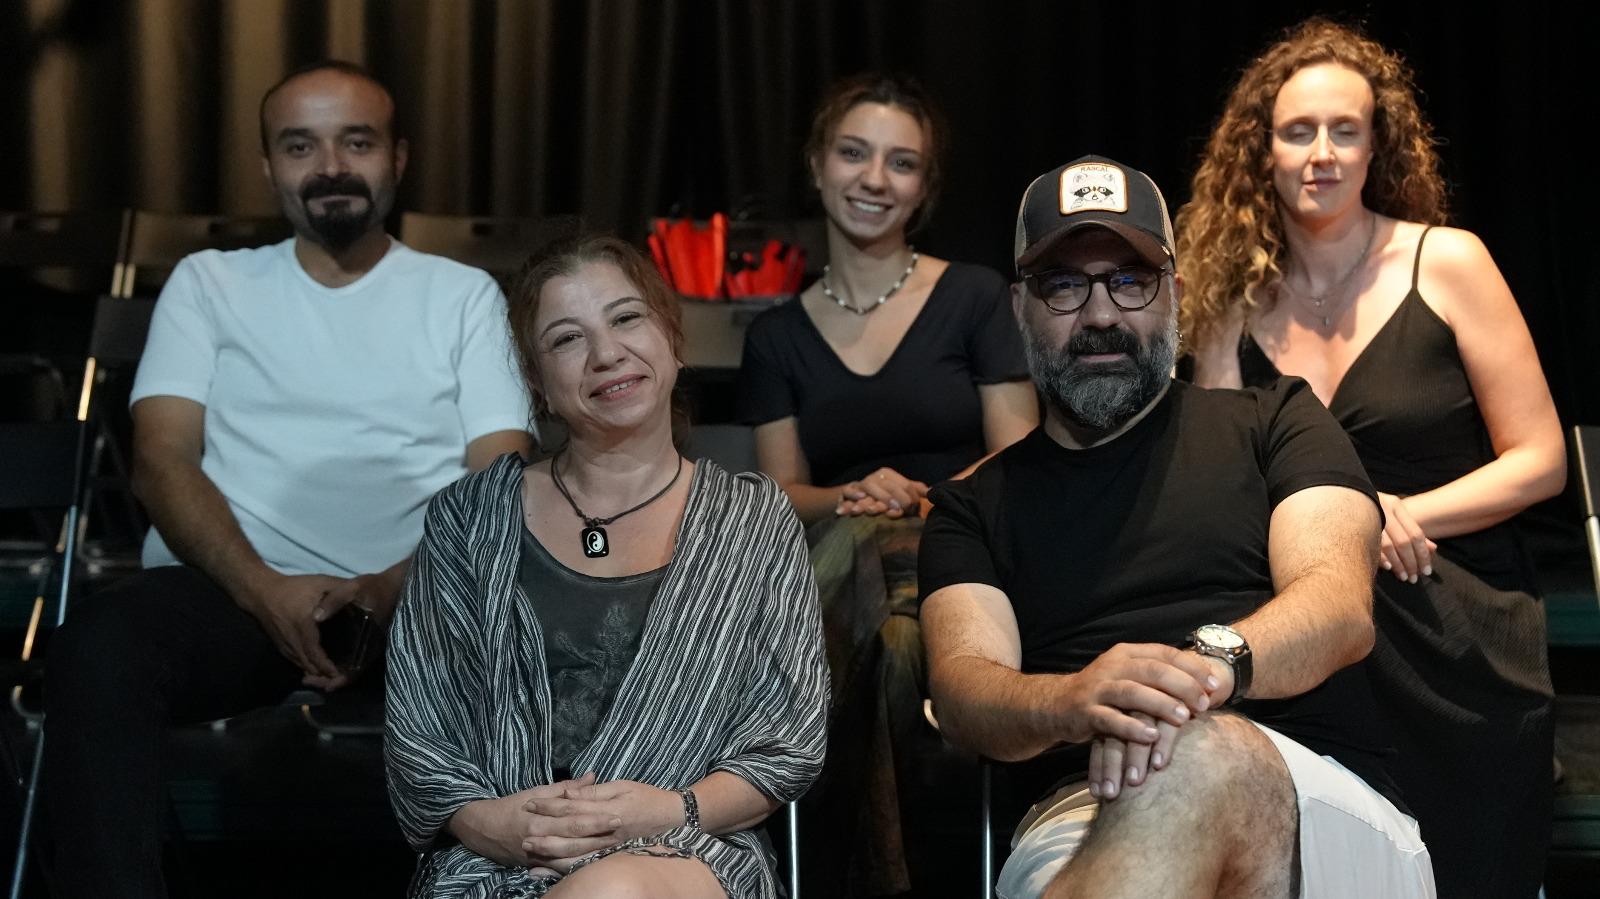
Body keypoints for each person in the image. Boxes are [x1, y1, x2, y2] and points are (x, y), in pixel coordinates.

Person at [40, 61, 532, 898]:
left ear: (399, 158)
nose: (330, 166)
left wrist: (389, 589)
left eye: (357, 142)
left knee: (558, 647)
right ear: (268, 166)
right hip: (237, 596)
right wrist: (263, 589)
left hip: (421, 602)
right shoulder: (209, 282)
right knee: (98, 646)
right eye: (301, 146)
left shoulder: (463, 295)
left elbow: (503, 474)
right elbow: (160, 458)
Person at [919, 154, 1437, 898]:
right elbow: (965, 692)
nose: (1102, 315)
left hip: (1320, 798)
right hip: (1082, 814)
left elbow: (1337, 607)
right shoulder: (971, 507)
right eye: (1064, 285)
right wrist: (1073, 700)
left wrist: (1192, 678)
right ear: (1019, 307)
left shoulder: (1277, 421)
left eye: (1130, 280)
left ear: (1176, 294)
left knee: (1199, 755)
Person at [1176, 18, 1565, 898]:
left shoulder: (1448, 260)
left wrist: (1401, 511)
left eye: (1344, 130)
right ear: (1262, 149)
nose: (1321, 153)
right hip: (1312, 601)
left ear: (1375, 145)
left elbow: (1541, 458)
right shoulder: (1235, 301)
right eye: (1298, 131)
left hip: (1451, 602)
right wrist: (1347, 519)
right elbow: (1220, 486)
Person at [385, 233, 829, 899]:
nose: (606, 353)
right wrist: (497, 826)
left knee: (611, 891)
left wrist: (665, 810)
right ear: (535, 380)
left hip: (688, 848)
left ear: (672, 336)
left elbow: (787, 743)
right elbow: (420, 733)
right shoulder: (468, 518)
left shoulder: (754, 522)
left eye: (626, 318)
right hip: (495, 862)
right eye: (568, 338)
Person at [736, 72, 1037, 894]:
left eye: (901, 163)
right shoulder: (775, 336)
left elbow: (1020, 452)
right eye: (854, 153)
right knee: (886, 612)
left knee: (895, 616)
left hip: (958, 546)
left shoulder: (975, 297)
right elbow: (780, 491)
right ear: (817, 164)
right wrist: (854, 498)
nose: (874, 179)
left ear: (924, 187)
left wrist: (918, 495)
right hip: (833, 570)